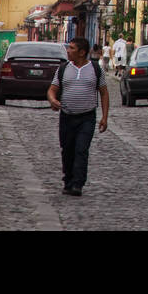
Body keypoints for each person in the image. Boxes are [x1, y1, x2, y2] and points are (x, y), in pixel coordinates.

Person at [47, 37, 109, 197]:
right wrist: (53, 100)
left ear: (82, 52)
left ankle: (78, 184)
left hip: (87, 117)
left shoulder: (95, 69)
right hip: (67, 116)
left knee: (81, 149)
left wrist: (104, 117)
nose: (68, 51)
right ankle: (68, 181)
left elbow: (104, 92)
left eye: (72, 48)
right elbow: (52, 89)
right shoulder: (63, 68)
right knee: (67, 150)